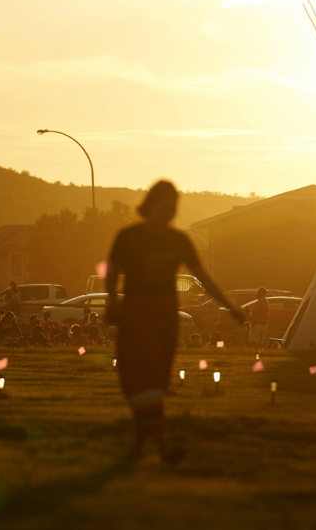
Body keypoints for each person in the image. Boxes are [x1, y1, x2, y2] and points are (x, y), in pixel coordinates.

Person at [105, 180, 245, 464]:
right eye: (165, 205)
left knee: (153, 382)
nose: (170, 211)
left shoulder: (179, 240)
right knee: (134, 381)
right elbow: (111, 270)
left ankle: (154, 445)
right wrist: (111, 299)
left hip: (164, 317)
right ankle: (152, 444)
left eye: (174, 206)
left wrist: (231, 307)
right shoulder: (128, 237)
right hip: (135, 314)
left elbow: (204, 278)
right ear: (151, 204)